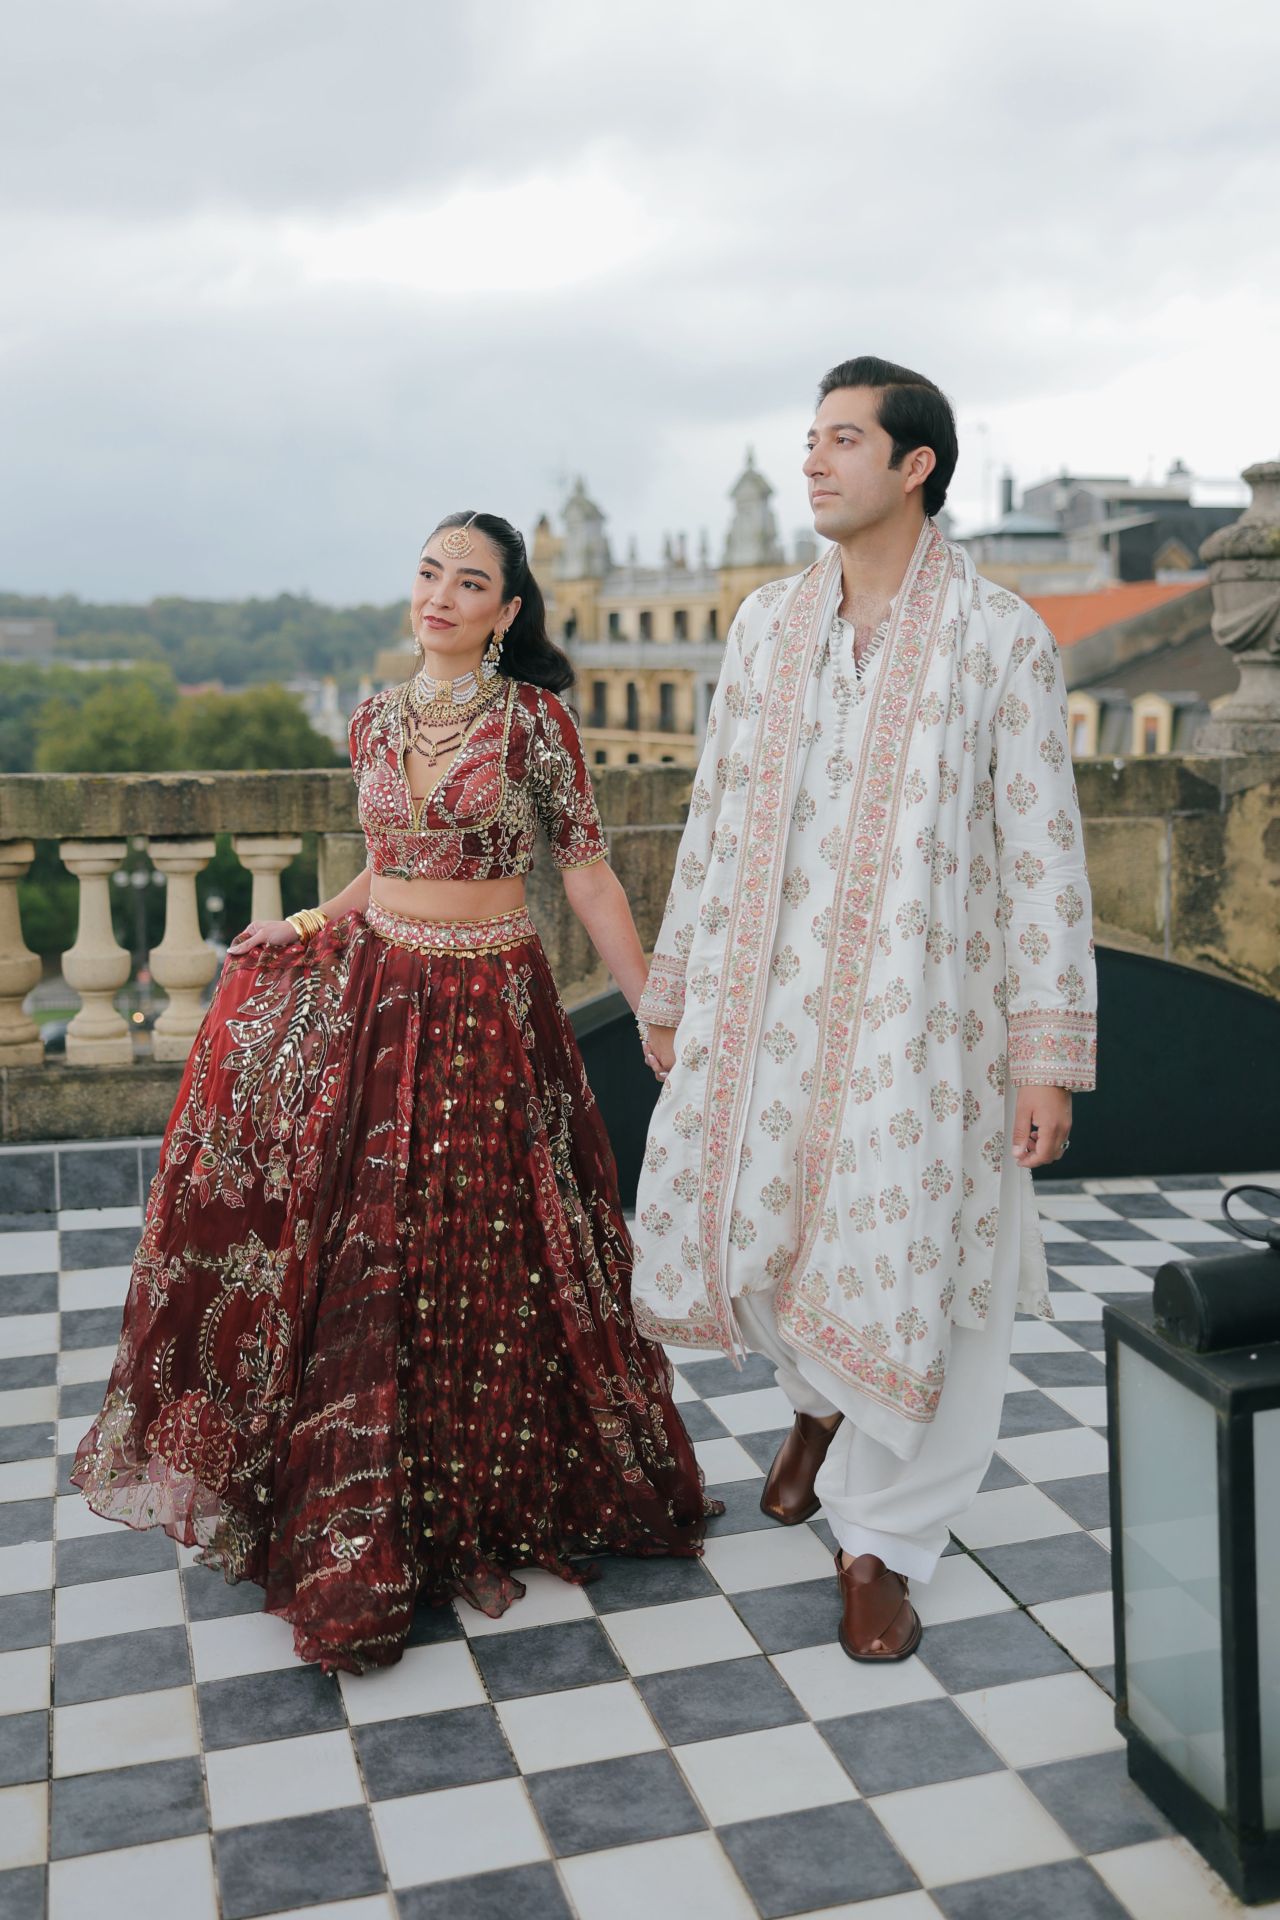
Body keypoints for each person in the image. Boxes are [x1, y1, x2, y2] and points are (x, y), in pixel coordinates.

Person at [74, 510, 713, 1674]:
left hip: (489, 1015)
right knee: (372, 1253)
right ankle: (374, 1507)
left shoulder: (532, 724)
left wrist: (652, 1007)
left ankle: (477, 1495)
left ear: (506, 613)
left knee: (483, 1246)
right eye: (428, 573)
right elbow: (387, 864)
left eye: (468, 583)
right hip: (379, 1002)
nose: (439, 596)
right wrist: (309, 920)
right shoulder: (372, 719)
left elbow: (585, 876)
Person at [632, 357, 1096, 1662]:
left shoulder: (1000, 635)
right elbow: (716, 814)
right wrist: (675, 987)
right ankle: (820, 1404)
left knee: (930, 1270)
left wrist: (1044, 1056)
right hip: (765, 998)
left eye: (845, 440)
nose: (815, 461)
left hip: (925, 1020)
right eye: (810, 439)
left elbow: (1042, 850)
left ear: (915, 467)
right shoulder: (764, 627)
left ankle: (887, 1540)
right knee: (757, 1232)